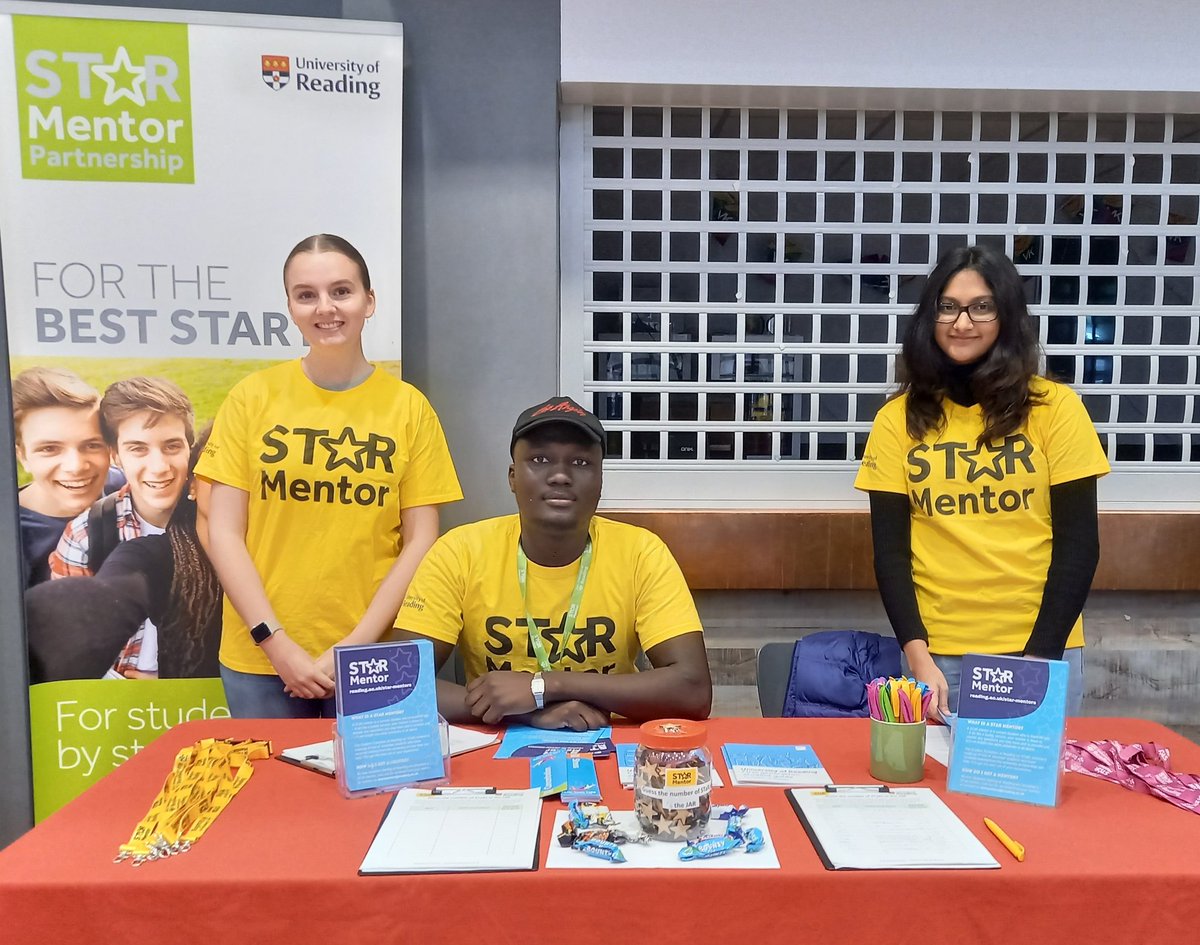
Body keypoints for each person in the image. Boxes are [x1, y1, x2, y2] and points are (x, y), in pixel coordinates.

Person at [196, 233, 462, 717]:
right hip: (259, 657)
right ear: (291, 307)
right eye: (307, 295)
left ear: (369, 301)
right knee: (275, 794)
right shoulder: (251, 398)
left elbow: (421, 540)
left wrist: (356, 646)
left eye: (341, 291)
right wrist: (275, 644)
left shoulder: (409, 408)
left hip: (372, 658)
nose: (325, 307)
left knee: (375, 795)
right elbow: (223, 530)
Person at [855, 244, 1110, 718]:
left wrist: (1039, 661)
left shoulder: (1056, 409)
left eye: (982, 307)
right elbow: (890, 553)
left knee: (1024, 793)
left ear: (1007, 316)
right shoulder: (896, 420)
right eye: (947, 307)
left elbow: (1079, 547)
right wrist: (917, 656)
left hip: (1042, 649)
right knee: (933, 791)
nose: (962, 323)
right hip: (937, 658)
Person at [395, 396, 712, 731]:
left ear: (600, 480)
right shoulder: (460, 551)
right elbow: (396, 684)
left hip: (608, 743)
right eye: (540, 459)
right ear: (513, 477)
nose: (560, 475)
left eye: (580, 463)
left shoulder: (641, 553)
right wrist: (528, 713)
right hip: (497, 744)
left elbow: (693, 690)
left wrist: (546, 686)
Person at [25, 426, 221, 682]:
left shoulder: (278, 558)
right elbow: (121, 584)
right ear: (192, 485)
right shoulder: (153, 551)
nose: (236, 489)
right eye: (220, 475)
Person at [49, 376, 195, 677]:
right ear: (115, 455)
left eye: (172, 446)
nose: (159, 466)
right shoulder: (86, 536)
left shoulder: (221, 525)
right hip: (119, 708)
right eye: (138, 449)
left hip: (207, 701)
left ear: (189, 448)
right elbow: (68, 649)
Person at [12, 367, 115, 589]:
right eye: (49, 449)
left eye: (91, 445)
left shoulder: (125, 486)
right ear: (22, 456)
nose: (76, 467)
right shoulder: (13, 538)